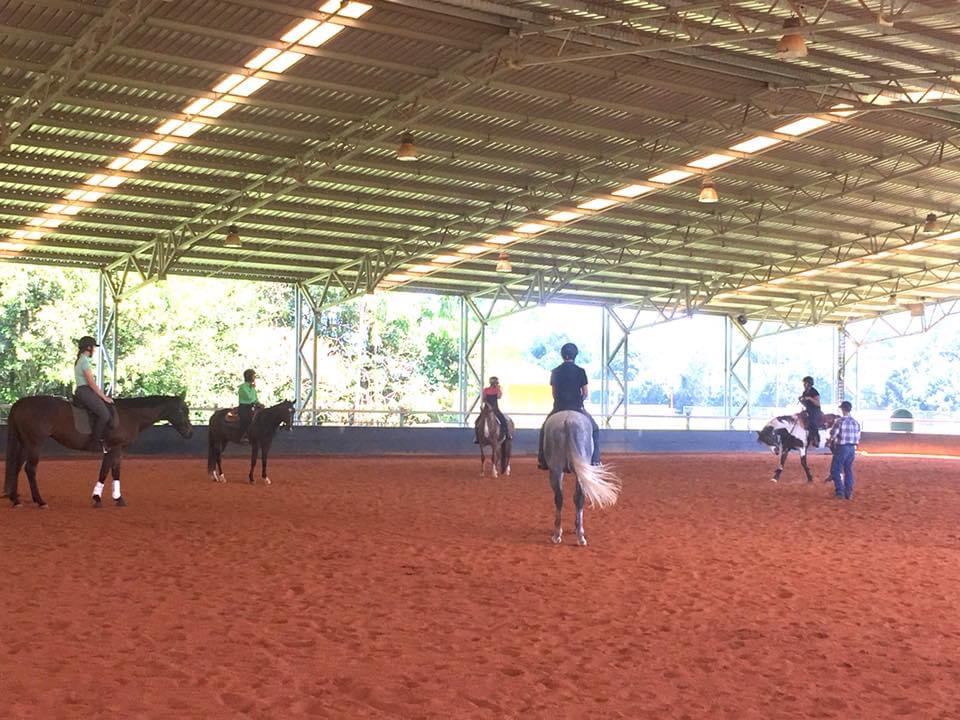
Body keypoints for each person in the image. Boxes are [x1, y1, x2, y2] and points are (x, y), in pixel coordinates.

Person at [537, 342, 600, 469]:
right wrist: (579, 402)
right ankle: (595, 459)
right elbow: (585, 393)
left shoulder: (555, 371)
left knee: (544, 429)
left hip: (559, 407)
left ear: (562, 355)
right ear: (575, 355)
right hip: (576, 407)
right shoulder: (581, 371)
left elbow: (554, 393)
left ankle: (543, 460)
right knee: (595, 429)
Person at [74, 335, 113, 454]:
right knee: (104, 415)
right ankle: (94, 443)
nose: (95, 350)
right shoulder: (84, 361)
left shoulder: (80, 360)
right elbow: (91, 383)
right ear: (89, 348)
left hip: (83, 390)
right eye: (93, 348)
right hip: (85, 390)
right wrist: (104, 397)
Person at [828, 400, 861, 499]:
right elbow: (858, 437)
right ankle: (849, 492)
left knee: (835, 470)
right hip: (852, 448)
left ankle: (840, 492)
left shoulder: (840, 421)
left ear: (843, 409)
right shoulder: (856, 422)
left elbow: (833, 434)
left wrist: (830, 441)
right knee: (848, 469)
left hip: (842, 447)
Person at [481, 376, 511, 440]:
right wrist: (488, 404)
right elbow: (483, 399)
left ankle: (506, 434)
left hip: (495, 408)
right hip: (487, 408)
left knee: (503, 420)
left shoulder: (496, 390)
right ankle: (478, 436)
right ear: (493, 383)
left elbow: (499, 396)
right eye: (496, 383)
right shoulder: (486, 390)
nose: (497, 384)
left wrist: (499, 389)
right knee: (478, 421)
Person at [799, 375, 823, 448]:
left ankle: (816, 439)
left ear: (809, 383)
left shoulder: (814, 392)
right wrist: (801, 400)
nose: (804, 384)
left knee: (812, 421)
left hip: (815, 410)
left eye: (805, 383)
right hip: (808, 409)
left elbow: (818, 403)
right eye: (804, 383)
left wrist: (809, 398)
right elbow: (805, 404)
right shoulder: (805, 392)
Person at [237, 369, 259, 442]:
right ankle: (243, 435)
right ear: (249, 377)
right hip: (244, 407)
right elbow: (248, 398)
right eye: (253, 376)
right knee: (246, 419)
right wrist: (252, 387)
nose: (254, 378)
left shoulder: (252, 387)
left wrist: (259, 403)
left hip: (253, 406)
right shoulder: (242, 387)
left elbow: (255, 398)